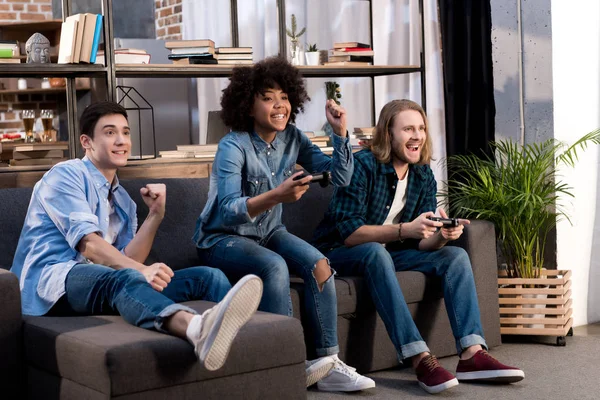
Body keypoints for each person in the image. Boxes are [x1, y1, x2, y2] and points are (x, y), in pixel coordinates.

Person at [10, 101, 263, 372]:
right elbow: (90, 247)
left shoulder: (123, 200)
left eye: (126, 132)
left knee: (208, 277)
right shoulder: (66, 175)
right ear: (87, 142)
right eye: (109, 133)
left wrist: (155, 215)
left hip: (107, 284)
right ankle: (196, 329)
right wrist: (142, 271)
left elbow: (126, 258)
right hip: (54, 285)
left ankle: (254, 355)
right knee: (127, 276)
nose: (121, 141)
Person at [312, 99, 524, 394]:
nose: (417, 136)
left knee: (455, 255)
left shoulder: (422, 173)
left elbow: (421, 242)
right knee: (374, 251)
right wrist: (403, 229)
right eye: (408, 128)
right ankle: (419, 357)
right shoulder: (362, 165)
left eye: (421, 128)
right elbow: (349, 233)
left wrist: (442, 235)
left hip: (391, 253)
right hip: (338, 252)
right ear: (388, 133)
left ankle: (472, 354)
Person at [193, 56, 374, 391]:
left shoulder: (292, 137)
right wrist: (277, 196)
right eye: (267, 97)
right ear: (248, 106)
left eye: (284, 97)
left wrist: (340, 132)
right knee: (274, 266)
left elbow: (340, 177)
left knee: (319, 264)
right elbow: (230, 209)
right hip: (222, 239)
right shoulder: (233, 146)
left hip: (269, 233)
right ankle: (286, 363)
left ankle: (328, 364)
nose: (279, 105)